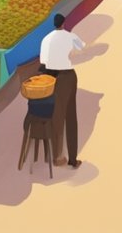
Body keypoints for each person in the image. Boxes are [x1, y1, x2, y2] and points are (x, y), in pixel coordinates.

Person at [39, 13, 84, 168]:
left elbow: (43, 61)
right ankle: (72, 158)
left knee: (57, 116)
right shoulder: (70, 36)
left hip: (51, 77)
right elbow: (81, 48)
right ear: (63, 23)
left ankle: (58, 157)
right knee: (70, 116)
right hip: (67, 76)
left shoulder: (46, 39)